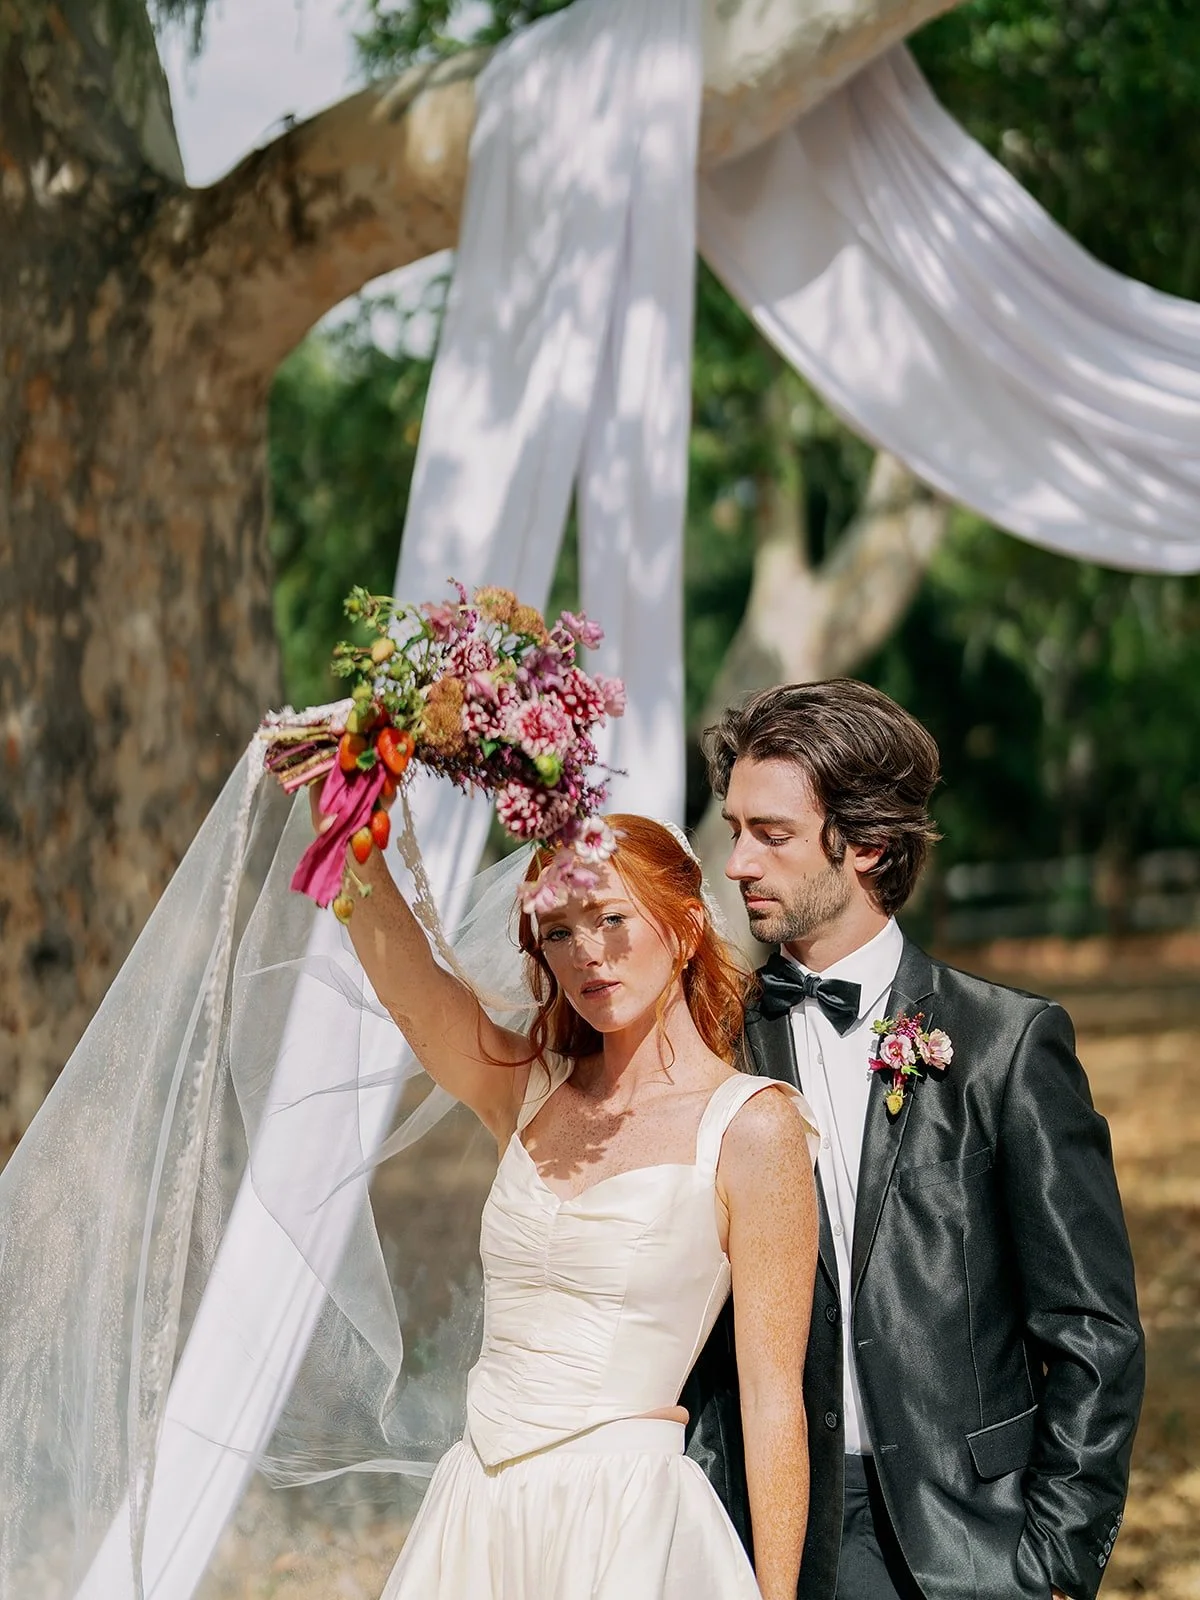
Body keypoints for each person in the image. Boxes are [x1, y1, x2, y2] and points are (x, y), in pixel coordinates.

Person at [682, 680, 1144, 1600]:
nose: (736, 863)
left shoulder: (1007, 1047)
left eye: (770, 834)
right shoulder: (708, 1045)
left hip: (971, 1545)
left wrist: (1055, 1561)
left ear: (867, 845)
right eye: (734, 828)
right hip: (762, 1533)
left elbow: (1094, 1330)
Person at [316, 795, 821, 1600]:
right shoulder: (528, 1091)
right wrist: (345, 818)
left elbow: (771, 1403)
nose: (588, 954)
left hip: (626, 1523)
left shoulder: (753, 1128)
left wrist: (777, 1596)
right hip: (477, 1511)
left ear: (686, 928)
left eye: (613, 920)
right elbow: (409, 989)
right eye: (558, 932)